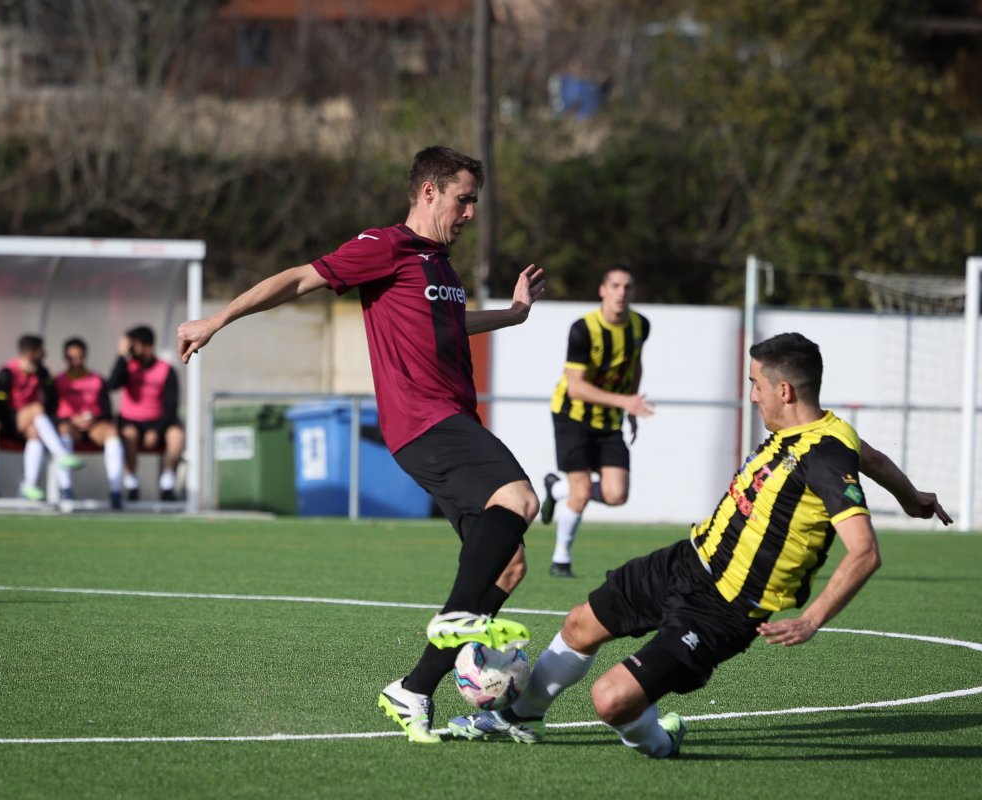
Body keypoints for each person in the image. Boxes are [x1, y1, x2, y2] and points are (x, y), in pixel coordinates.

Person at [177, 145, 546, 745]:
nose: (471, 213)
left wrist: (511, 315)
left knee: (508, 565)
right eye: (464, 199)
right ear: (429, 192)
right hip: (425, 421)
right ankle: (458, 621)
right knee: (520, 500)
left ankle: (414, 690)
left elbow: (449, 325)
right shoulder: (386, 246)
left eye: (475, 201)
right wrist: (216, 320)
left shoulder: (440, 265)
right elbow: (299, 278)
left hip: (450, 420)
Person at [449, 332, 953, 758]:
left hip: (725, 608)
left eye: (756, 385)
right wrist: (911, 497)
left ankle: (659, 740)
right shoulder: (826, 433)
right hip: (688, 560)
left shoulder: (823, 455)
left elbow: (865, 550)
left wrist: (813, 618)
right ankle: (521, 716)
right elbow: (872, 457)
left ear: (784, 390)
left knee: (611, 700)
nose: (752, 396)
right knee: (581, 623)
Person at [540, 264, 653, 578]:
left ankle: (555, 488)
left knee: (617, 494)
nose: (621, 292)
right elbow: (575, 387)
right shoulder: (583, 329)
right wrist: (625, 402)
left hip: (609, 418)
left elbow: (635, 364)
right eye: (615, 286)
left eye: (627, 287)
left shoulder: (640, 326)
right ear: (602, 290)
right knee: (580, 493)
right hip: (572, 415)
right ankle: (561, 560)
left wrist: (631, 405)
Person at [0, 335, 84, 501]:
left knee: (35, 434)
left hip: (34, 423)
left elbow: (51, 400)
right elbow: (0, 401)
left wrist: (41, 378)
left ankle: (29, 485)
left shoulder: (41, 372)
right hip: (10, 421)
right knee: (36, 408)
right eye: (40, 350)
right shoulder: (7, 372)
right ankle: (60, 454)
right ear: (30, 353)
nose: (44, 353)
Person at [106, 325, 184, 502]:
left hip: (158, 422)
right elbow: (112, 385)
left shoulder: (166, 370)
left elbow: (171, 405)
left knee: (176, 435)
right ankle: (131, 483)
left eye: (134, 345)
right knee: (128, 435)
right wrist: (121, 356)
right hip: (131, 421)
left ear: (147, 346)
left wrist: (157, 430)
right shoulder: (127, 367)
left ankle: (167, 484)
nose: (131, 349)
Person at [55, 337, 126, 509]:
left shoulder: (97, 380)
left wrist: (93, 419)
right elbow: (51, 411)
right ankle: (66, 488)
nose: (76, 362)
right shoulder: (57, 381)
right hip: (71, 427)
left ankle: (115, 490)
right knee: (63, 430)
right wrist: (72, 419)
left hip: (94, 427)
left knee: (112, 433)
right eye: (72, 358)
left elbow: (107, 411)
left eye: (79, 357)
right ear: (65, 358)